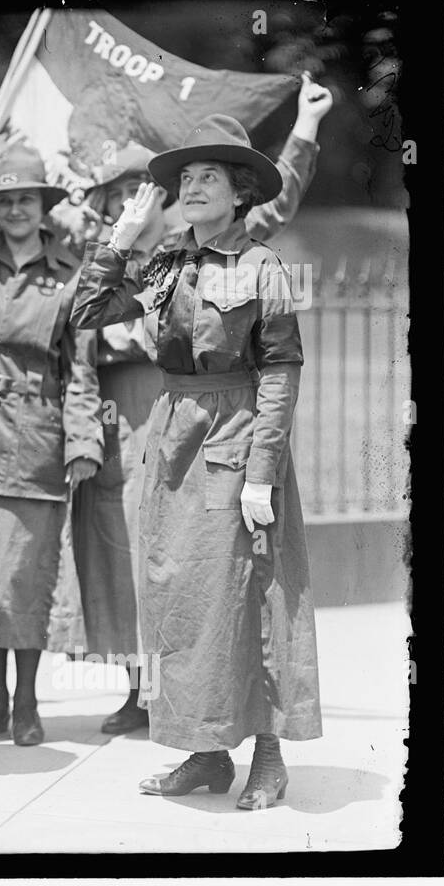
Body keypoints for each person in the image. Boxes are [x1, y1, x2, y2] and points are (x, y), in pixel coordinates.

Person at [69, 74, 331, 736]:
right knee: (179, 595)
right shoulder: (165, 262)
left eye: (207, 177)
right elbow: (86, 312)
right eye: (184, 178)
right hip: (174, 441)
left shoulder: (261, 266)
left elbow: (279, 373)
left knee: (252, 589)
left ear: (240, 190)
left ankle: (267, 752)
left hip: (235, 441)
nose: (190, 188)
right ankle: (204, 746)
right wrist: (120, 240)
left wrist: (263, 471)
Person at [0, 142, 104, 747]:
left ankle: (25, 702)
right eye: (6, 198)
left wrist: (82, 441)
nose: (16, 209)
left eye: (27, 198)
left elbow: (82, 369)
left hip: (36, 441)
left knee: (24, 578)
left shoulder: (69, 275)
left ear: (43, 206)